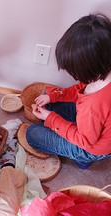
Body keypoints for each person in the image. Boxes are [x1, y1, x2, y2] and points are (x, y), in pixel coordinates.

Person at [26, 13, 111, 169]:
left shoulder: (93, 106)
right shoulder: (102, 74)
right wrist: (53, 97)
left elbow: (85, 140)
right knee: (49, 104)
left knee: (32, 134)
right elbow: (80, 88)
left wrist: (51, 118)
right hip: (94, 127)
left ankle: (83, 159)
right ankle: (53, 114)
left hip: (89, 146)